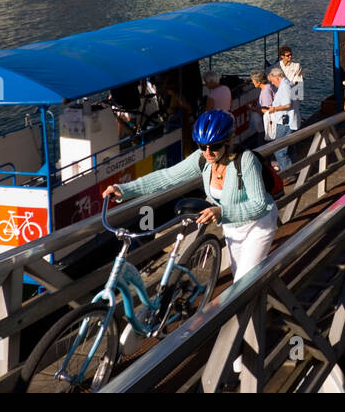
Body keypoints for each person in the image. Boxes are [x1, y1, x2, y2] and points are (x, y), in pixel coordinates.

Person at [102, 110, 277, 283]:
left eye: (214, 146)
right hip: (232, 228)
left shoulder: (245, 161)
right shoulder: (202, 159)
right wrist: (124, 190)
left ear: (228, 140)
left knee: (243, 284)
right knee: (242, 280)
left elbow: (260, 204)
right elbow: (166, 176)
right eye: (202, 146)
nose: (208, 152)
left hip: (258, 225)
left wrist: (221, 212)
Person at [266, 66, 298, 170]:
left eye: (272, 81)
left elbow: (287, 105)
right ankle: (293, 169)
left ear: (277, 78)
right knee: (290, 149)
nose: (272, 83)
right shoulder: (290, 84)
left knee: (279, 150)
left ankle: (288, 174)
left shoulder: (284, 86)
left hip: (285, 122)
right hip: (291, 120)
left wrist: (274, 109)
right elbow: (297, 100)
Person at [249, 69, 271, 145]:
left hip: (267, 123)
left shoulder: (265, 91)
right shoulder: (266, 87)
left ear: (258, 81)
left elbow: (267, 110)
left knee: (262, 138)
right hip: (265, 122)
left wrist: (255, 109)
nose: (252, 82)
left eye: (253, 81)